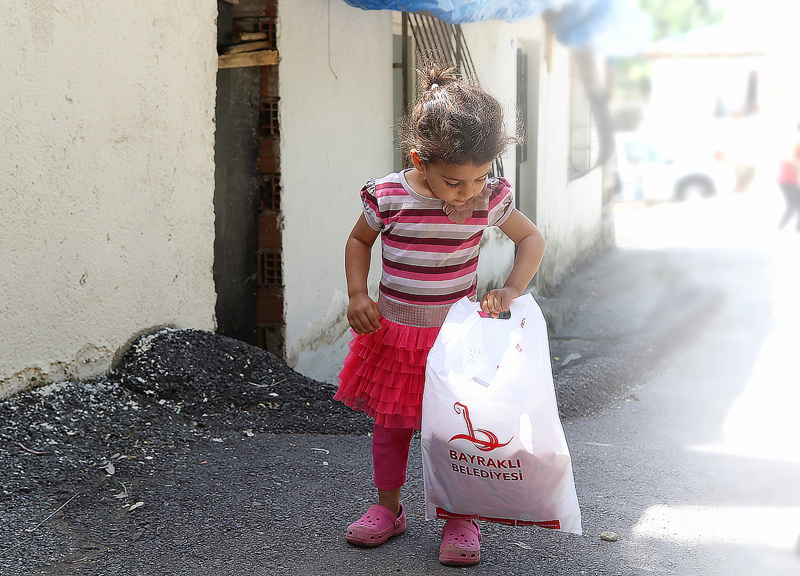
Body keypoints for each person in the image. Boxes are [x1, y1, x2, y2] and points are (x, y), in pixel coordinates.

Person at [333, 62, 545, 566]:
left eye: (478, 178)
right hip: (395, 338)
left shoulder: (487, 198)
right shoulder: (387, 195)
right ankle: (388, 508)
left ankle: (460, 515)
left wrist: (512, 289)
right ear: (418, 160)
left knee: (456, 431)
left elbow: (531, 238)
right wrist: (357, 294)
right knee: (391, 429)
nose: (467, 192)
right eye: (454, 181)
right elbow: (359, 240)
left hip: (456, 341)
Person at [777, 121, 800, 232]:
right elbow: (789, 158)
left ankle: (797, 228)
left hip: (789, 179)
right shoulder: (796, 143)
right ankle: (779, 228)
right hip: (786, 178)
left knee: (796, 203)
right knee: (792, 205)